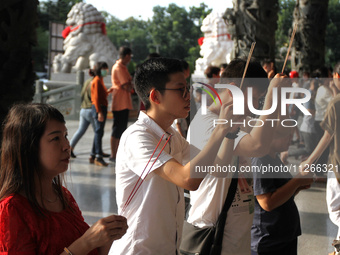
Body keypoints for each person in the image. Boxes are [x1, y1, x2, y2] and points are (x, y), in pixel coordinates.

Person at [109, 57, 239, 254]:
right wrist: (220, 130)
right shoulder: (137, 137)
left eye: (188, 88)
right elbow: (188, 179)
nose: (188, 96)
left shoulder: (172, 136)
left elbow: (216, 168)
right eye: (181, 90)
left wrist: (230, 133)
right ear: (155, 96)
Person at [186, 58, 288, 255]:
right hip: (213, 234)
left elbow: (278, 140)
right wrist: (272, 97)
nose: (254, 107)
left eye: (259, 100)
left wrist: (278, 98)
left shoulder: (241, 118)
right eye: (254, 99)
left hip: (237, 237)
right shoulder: (205, 123)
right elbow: (258, 146)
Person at [0, 103, 128, 254]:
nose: (67, 146)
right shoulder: (12, 210)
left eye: (65, 136)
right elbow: (83, 245)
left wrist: (107, 236)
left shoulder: (62, 195)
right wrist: (87, 242)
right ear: (29, 148)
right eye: (55, 138)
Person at [251, 133, 313, 255]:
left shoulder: (274, 158)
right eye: (285, 133)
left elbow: (280, 194)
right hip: (268, 239)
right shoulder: (259, 160)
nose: (291, 137)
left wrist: (297, 187)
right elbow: (267, 202)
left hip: (283, 235)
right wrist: (297, 181)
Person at [301, 62, 340, 255]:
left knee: (335, 209)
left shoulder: (336, 102)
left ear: (336, 76)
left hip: (337, 164)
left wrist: (309, 161)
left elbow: (328, 136)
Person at [69, 69, 109, 158]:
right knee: (98, 132)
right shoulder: (96, 82)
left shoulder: (87, 82)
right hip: (91, 109)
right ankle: (96, 153)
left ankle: (70, 148)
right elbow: (95, 97)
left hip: (83, 109)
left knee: (80, 130)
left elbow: (82, 94)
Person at [110, 46, 133, 162]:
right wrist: (130, 85)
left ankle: (117, 153)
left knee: (121, 128)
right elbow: (126, 85)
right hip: (120, 101)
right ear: (127, 56)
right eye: (130, 57)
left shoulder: (122, 67)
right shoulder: (118, 67)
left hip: (123, 101)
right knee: (117, 128)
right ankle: (114, 154)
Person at [91, 62, 111, 166]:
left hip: (101, 107)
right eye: (104, 68)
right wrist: (99, 112)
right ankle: (98, 156)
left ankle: (94, 154)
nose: (106, 70)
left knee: (99, 131)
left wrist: (108, 91)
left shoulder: (100, 80)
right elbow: (96, 98)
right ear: (100, 69)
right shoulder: (97, 80)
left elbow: (101, 95)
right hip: (99, 108)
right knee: (99, 132)